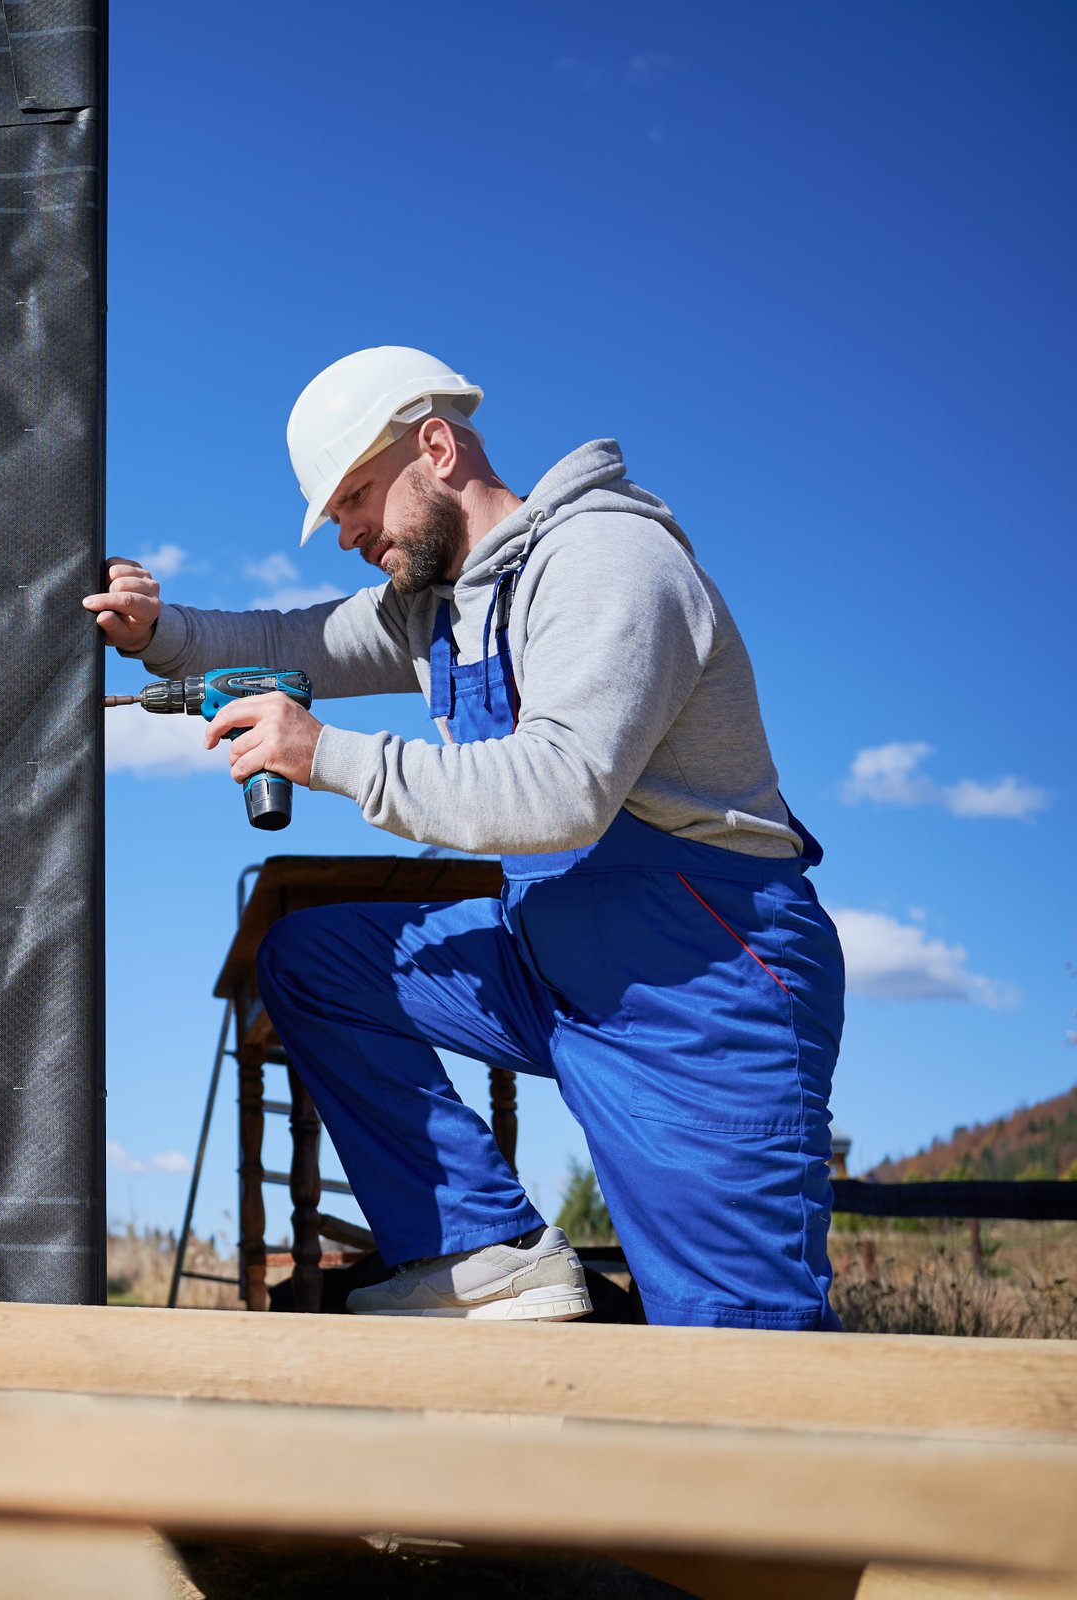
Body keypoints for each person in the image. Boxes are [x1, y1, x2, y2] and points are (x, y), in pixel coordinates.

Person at [84, 346, 844, 1330]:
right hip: (555, 967)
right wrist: (156, 630)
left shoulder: (607, 563)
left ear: (435, 447)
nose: (347, 532)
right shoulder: (437, 610)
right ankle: (479, 1250)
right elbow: (282, 642)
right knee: (314, 962)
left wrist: (327, 754)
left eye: (356, 496)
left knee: (743, 1362)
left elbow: (562, 790)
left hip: (701, 988)